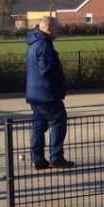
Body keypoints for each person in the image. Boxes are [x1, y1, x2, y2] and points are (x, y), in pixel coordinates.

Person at [25, 17, 74, 170]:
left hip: (34, 92)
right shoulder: (44, 45)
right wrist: (58, 81)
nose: (58, 31)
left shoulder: (33, 43)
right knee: (58, 120)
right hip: (46, 93)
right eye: (57, 28)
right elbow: (46, 69)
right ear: (49, 28)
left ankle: (37, 159)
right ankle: (56, 157)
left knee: (39, 125)